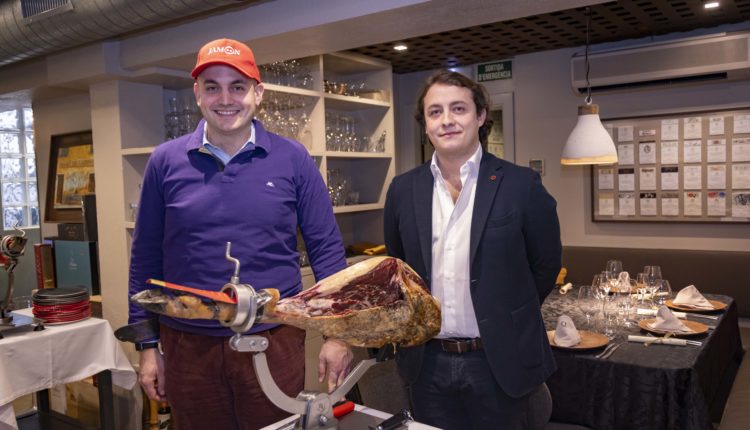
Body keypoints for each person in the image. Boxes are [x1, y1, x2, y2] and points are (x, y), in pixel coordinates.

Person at [128, 38, 353, 429]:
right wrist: (147, 347)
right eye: (212, 87)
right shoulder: (165, 161)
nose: (225, 99)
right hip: (187, 345)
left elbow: (327, 251)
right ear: (197, 93)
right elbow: (145, 259)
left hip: (274, 339)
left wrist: (338, 334)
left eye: (237, 86)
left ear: (258, 93)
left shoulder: (293, 158)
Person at [384, 70, 561, 429]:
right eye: (435, 112)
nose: (447, 120)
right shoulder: (403, 190)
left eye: (458, 109)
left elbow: (545, 267)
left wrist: (505, 314)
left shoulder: (521, 185)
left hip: (500, 363)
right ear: (425, 125)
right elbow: (399, 269)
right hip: (427, 365)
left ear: (480, 116)